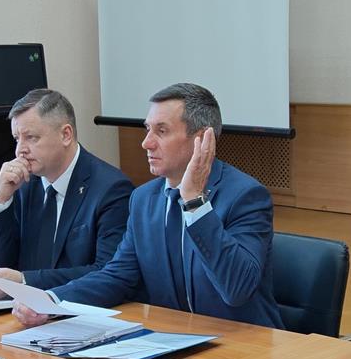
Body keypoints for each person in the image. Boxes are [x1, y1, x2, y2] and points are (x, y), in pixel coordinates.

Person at [14, 83, 283, 329]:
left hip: (246, 345)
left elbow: (237, 289)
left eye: (161, 131)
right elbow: (118, 276)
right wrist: (51, 300)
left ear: (202, 139)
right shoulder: (143, 199)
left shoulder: (245, 196)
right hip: (177, 340)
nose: (146, 143)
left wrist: (195, 202)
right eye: (147, 129)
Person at [0, 89, 134, 296]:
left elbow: (106, 273)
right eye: (17, 139)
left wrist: (26, 281)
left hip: (79, 307)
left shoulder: (111, 189)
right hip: (21, 307)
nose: (20, 150)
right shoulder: (23, 183)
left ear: (65, 135)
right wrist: (1, 199)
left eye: (31, 137)